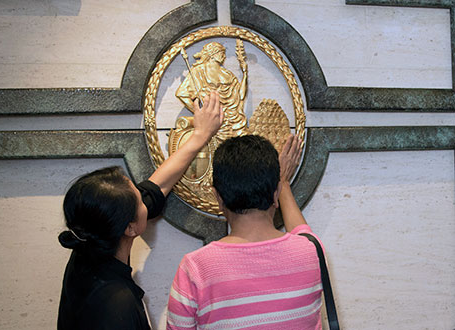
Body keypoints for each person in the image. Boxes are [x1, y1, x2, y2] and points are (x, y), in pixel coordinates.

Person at [57, 91, 223, 330]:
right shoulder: (116, 306)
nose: (145, 199)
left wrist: (200, 135)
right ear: (130, 227)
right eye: (139, 201)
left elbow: (156, 187)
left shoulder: (89, 242)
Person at [167, 134, 325, 329]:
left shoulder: (195, 268)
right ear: (275, 193)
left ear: (218, 197)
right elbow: (302, 233)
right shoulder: (312, 253)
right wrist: (282, 183)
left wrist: (279, 184)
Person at [175, 41, 248, 141]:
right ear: (213, 54)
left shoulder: (228, 74)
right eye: (221, 53)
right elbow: (182, 94)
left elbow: (240, 96)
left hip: (233, 122)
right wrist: (198, 112)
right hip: (213, 125)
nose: (224, 56)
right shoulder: (199, 71)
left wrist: (245, 75)